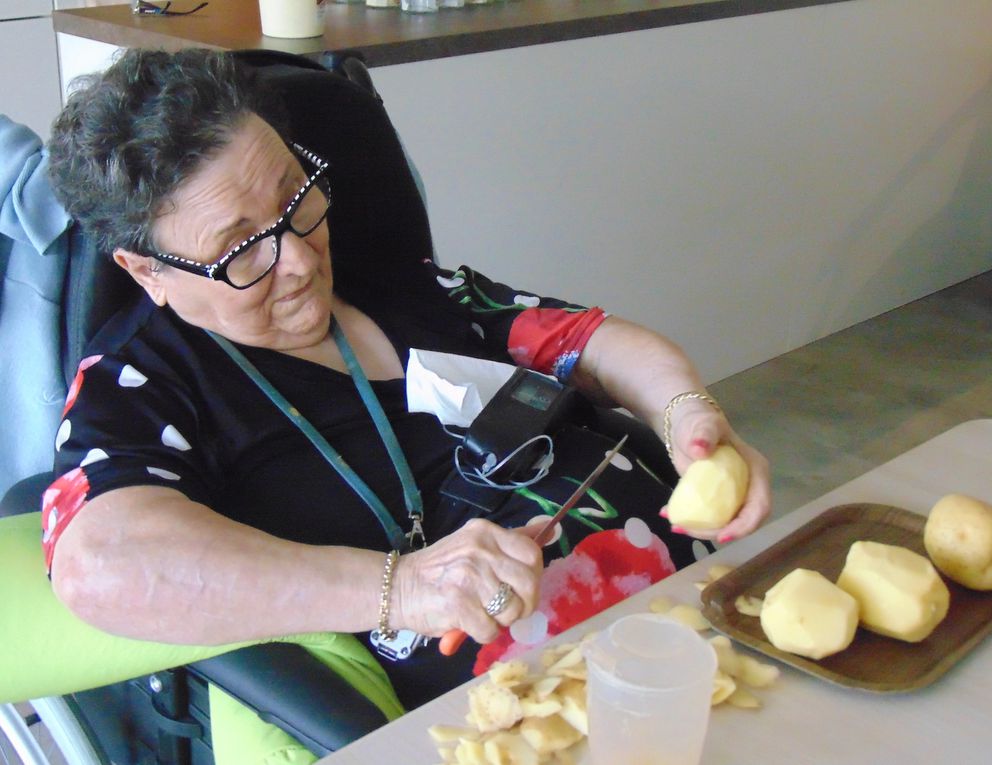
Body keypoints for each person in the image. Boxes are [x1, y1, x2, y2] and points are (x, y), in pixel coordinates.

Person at [42, 48, 771, 713]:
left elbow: (592, 340)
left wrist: (687, 414)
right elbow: (98, 563)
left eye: (296, 201)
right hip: (548, 706)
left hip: (707, 623)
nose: (297, 260)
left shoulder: (399, 283)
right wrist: (403, 587)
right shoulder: (143, 382)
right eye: (239, 250)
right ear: (147, 271)